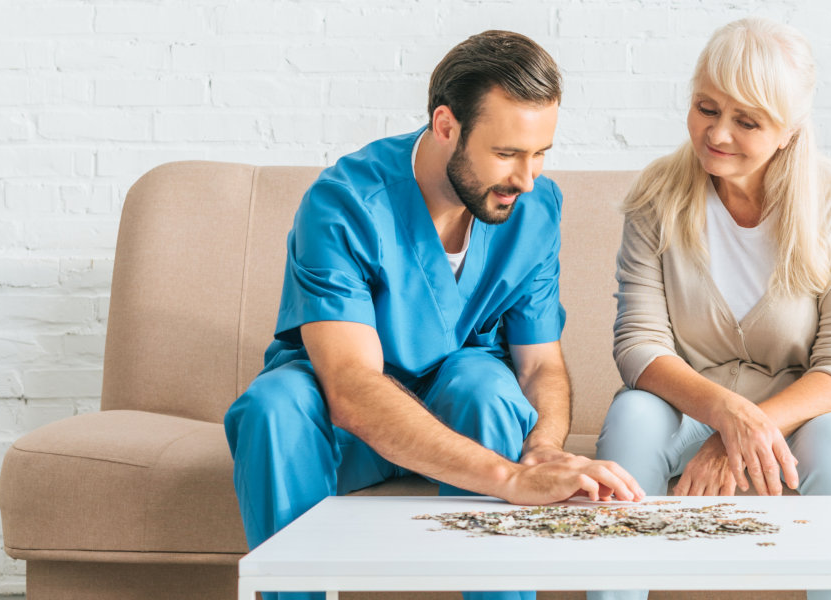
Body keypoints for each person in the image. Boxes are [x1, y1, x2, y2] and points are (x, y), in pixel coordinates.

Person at [224, 30, 645, 600]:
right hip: (345, 422)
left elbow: (540, 365)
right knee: (271, 407)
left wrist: (543, 447)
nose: (525, 178)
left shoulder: (534, 208)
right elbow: (350, 385)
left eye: (540, 152)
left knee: (488, 388)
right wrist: (513, 478)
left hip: (465, 411)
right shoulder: (344, 203)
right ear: (446, 126)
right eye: (506, 153)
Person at [589, 17, 831, 600]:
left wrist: (742, 432)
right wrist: (727, 415)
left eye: (746, 120)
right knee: (632, 418)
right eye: (706, 107)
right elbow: (639, 348)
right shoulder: (656, 197)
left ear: (789, 130)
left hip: (811, 408)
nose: (717, 134)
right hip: (692, 403)